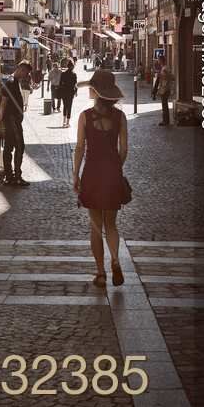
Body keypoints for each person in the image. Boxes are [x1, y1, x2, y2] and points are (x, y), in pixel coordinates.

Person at [73, 69, 128, 289]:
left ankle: (101, 273)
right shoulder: (120, 117)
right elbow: (124, 149)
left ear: (96, 91)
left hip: (92, 174)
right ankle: (115, 258)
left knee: (96, 226)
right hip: (112, 173)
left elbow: (79, 148)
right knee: (111, 225)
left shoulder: (85, 116)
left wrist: (75, 174)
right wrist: (116, 168)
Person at [0, 60, 32, 186]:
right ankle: (15, 176)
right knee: (19, 146)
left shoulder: (15, 81)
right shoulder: (11, 82)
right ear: (21, 69)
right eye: (25, 73)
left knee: (9, 147)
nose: (25, 76)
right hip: (12, 120)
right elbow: (3, 102)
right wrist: (0, 120)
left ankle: (10, 176)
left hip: (13, 119)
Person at [59, 60, 78, 127]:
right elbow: (75, 84)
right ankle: (67, 122)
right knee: (69, 107)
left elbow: (60, 83)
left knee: (65, 106)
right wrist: (76, 92)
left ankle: (63, 121)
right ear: (72, 67)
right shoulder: (74, 74)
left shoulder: (63, 74)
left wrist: (61, 91)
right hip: (70, 92)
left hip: (64, 92)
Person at [156, 57, 173, 126]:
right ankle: (166, 120)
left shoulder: (165, 69)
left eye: (159, 60)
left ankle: (165, 121)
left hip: (165, 89)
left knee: (164, 106)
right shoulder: (165, 68)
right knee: (165, 105)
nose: (158, 62)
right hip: (165, 89)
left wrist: (161, 75)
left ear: (161, 61)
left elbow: (168, 77)